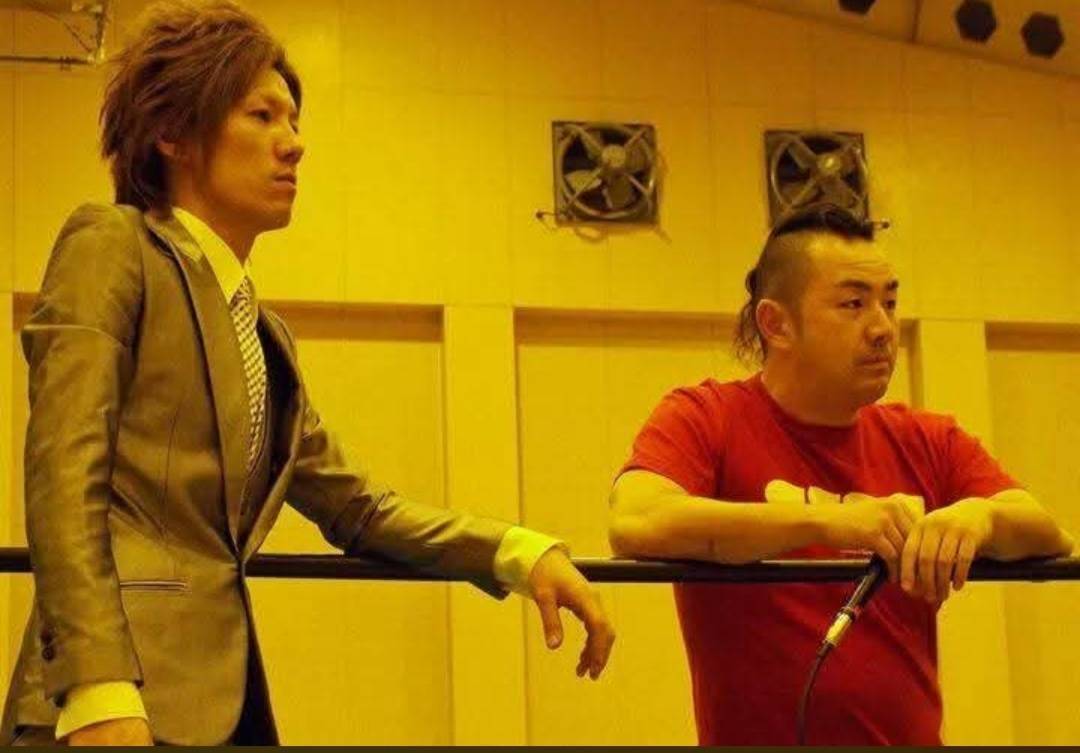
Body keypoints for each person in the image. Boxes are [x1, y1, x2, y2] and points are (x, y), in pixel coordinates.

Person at [1, 1, 613, 745]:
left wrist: (518, 552)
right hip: (107, 704)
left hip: (216, 705)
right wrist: (95, 683)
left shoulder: (264, 335)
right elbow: (63, 467)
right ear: (172, 134)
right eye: (261, 116)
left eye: (293, 121)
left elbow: (359, 509)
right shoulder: (112, 243)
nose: (293, 144)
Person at [608, 205, 1073, 745]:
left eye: (889, 303)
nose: (882, 329)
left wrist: (980, 517)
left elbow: (1048, 534)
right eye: (853, 304)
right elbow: (636, 519)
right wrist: (831, 523)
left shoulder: (927, 438)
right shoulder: (707, 415)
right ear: (776, 324)